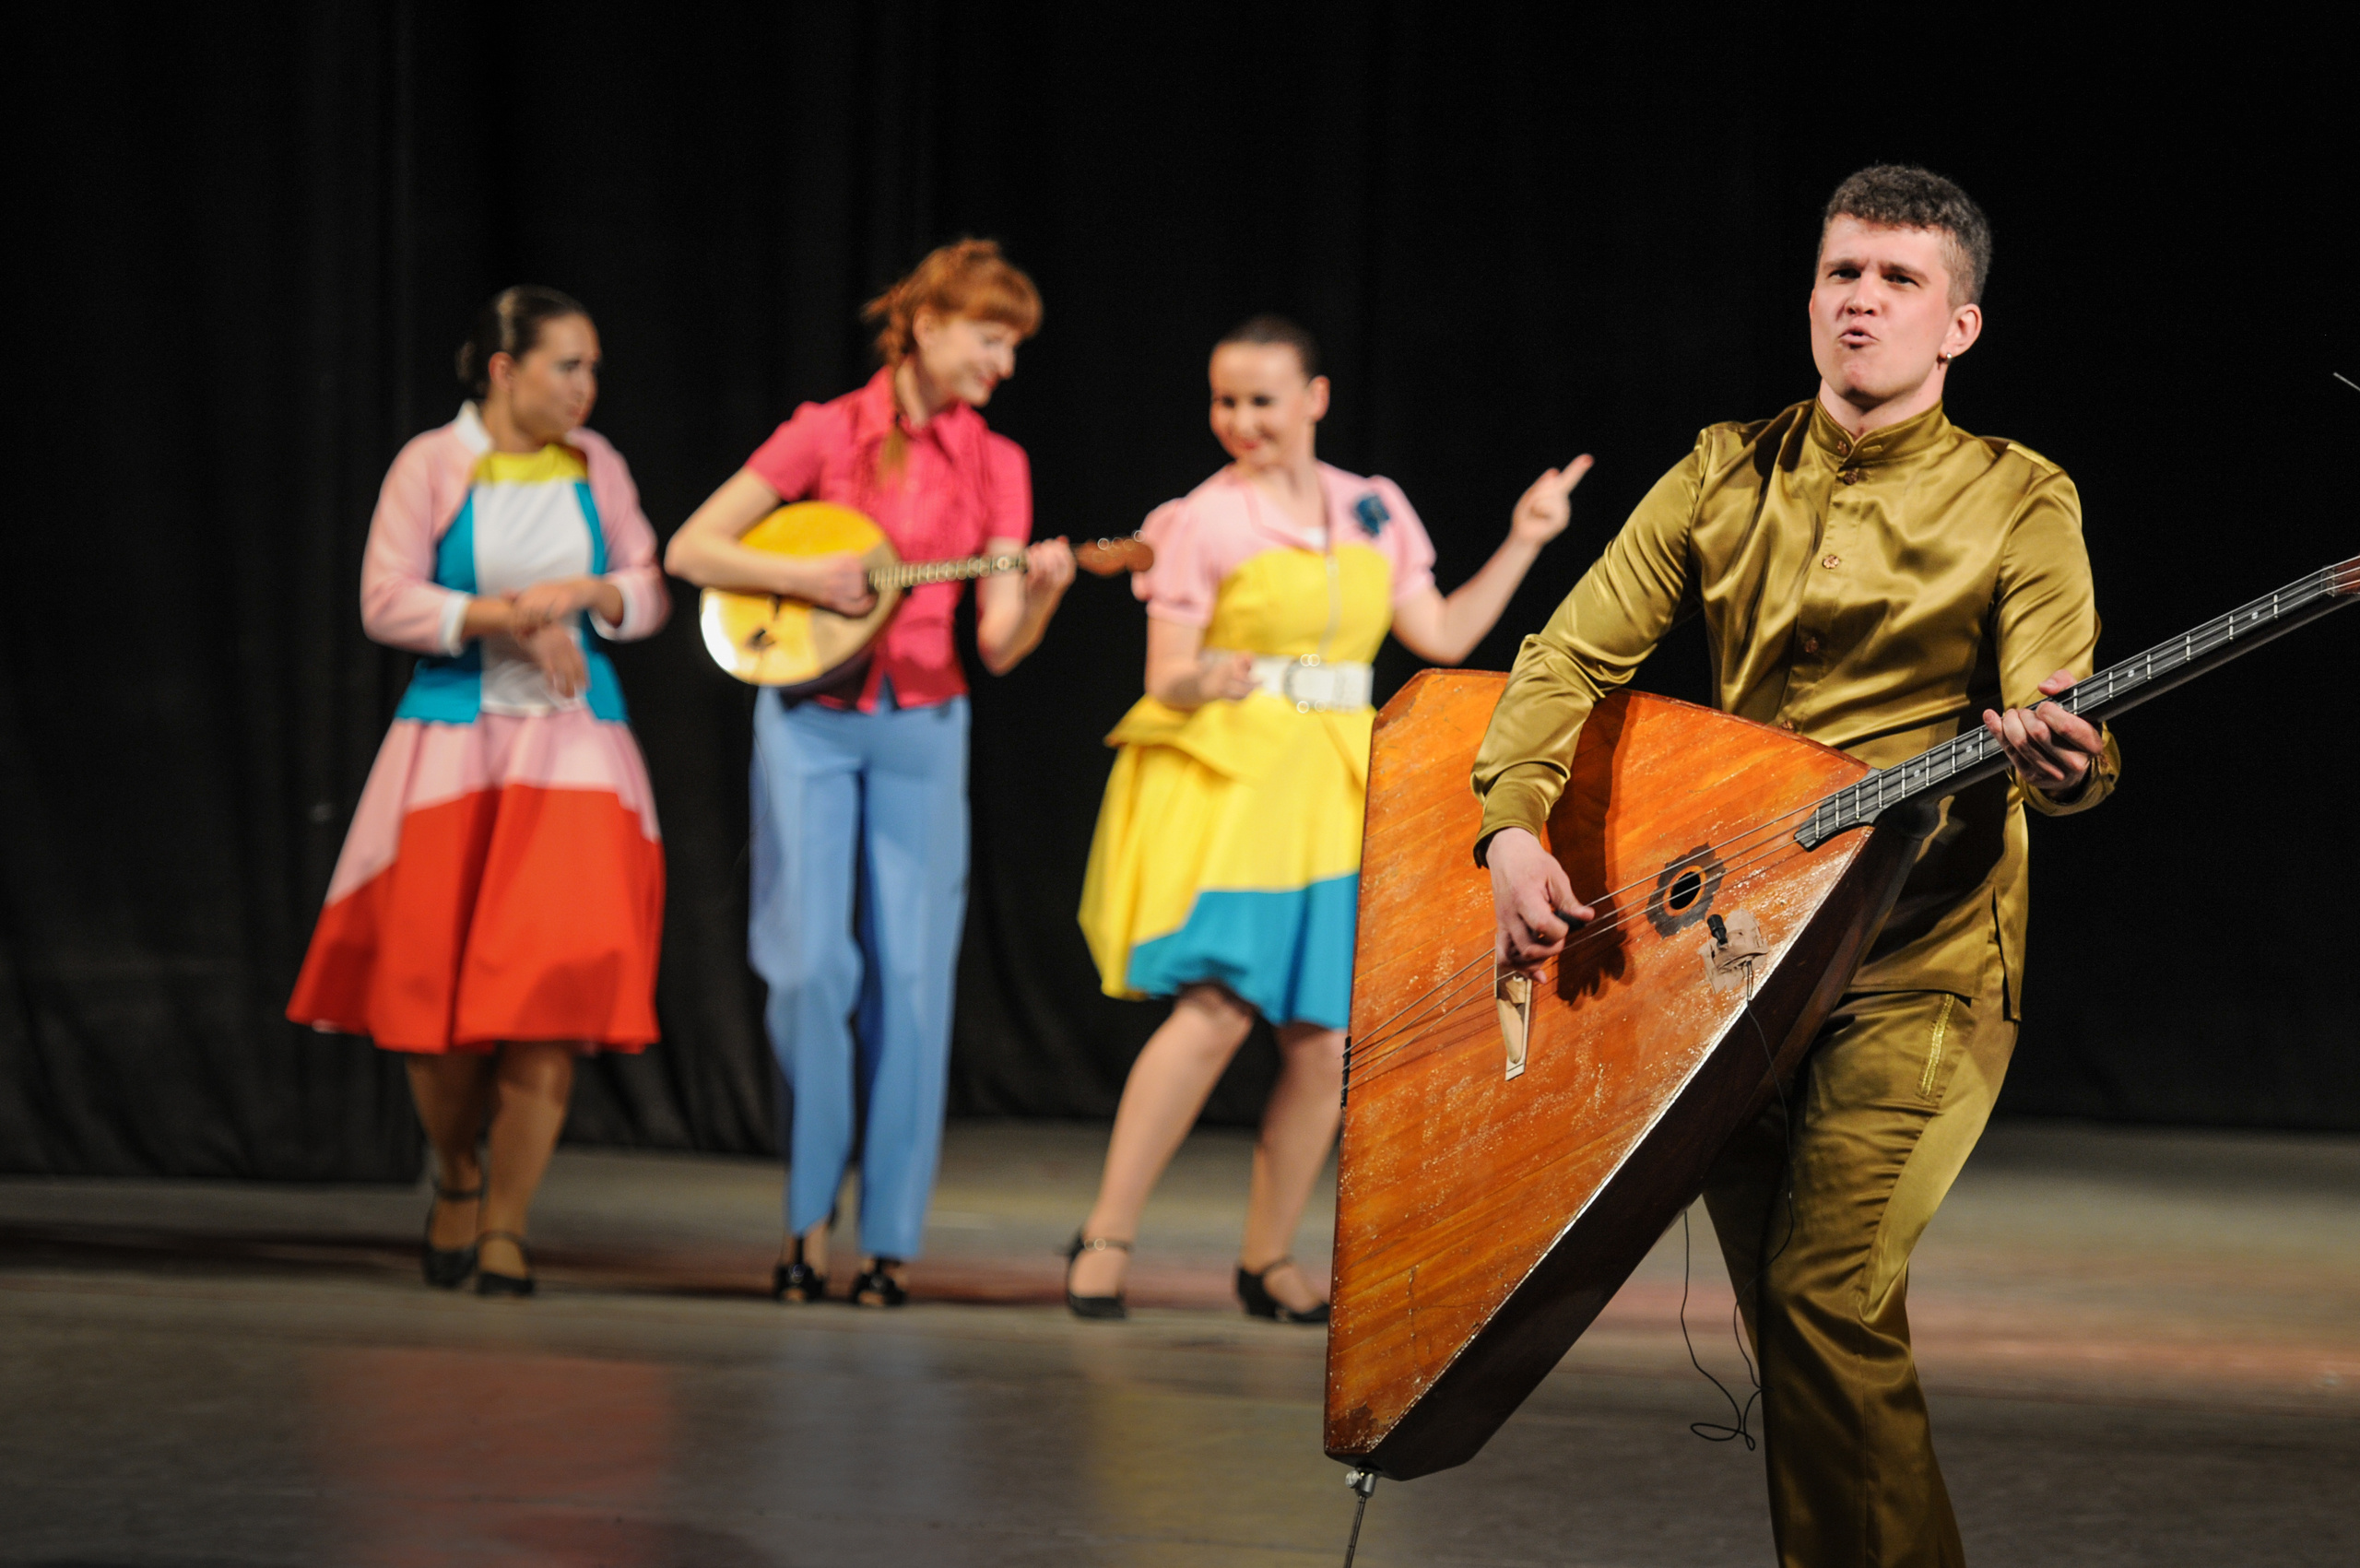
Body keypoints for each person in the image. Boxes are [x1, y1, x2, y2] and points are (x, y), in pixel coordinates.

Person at [1477, 167, 2119, 1565]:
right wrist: (1511, 825)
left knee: (1827, 1291)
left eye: (1900, 282)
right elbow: (1570, 655)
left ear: (1960, 327)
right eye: (1844, 274)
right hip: (1736, 957)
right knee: (1799, 1320)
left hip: (1920, 960)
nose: (1863, 302)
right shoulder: (1723, 468)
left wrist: (2066, 757)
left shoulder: (2021, 497)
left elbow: (2057, 697)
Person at [1068, 315, 1589, 1322]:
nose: (1241, 420)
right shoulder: (1199, 519)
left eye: (1262, 399)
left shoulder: (1371, 507)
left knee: (1323, 1037)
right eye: (1225, 400)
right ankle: (1106, 1233)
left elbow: (1438, 632)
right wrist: (1203, 674)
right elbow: (1164, 675)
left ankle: (1266, 1258)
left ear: (1313, 398)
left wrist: (1525, 538)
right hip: (1241, 776)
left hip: (1343, 782)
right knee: (1216, 1008)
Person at [666, 240, 1075, 1308]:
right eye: (992, 338)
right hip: (807, 713)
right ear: (930, 324)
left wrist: (1041, 594)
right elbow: (693, 550)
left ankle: (888, 1240)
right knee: (808, 968)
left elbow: (995, 646)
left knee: (911, 979)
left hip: (925, 722)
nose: (1004, 362)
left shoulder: (999, 464)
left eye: (1013, 345)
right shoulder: (824, 431)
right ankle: (806, 1220)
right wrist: (805, 574)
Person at [289, 286, 670, 1297]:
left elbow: (649, 586)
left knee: (551, 989)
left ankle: (508, 1220)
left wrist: (590, 596)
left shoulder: (600, 467)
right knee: (438, 997)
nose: (587, 387)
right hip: (453, 752)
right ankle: (456, 1174)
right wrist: (506, 615)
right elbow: (385, 598)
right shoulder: (432, 463)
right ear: (505, 370)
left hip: (575, 753)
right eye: (567, 366)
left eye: (592, 368)